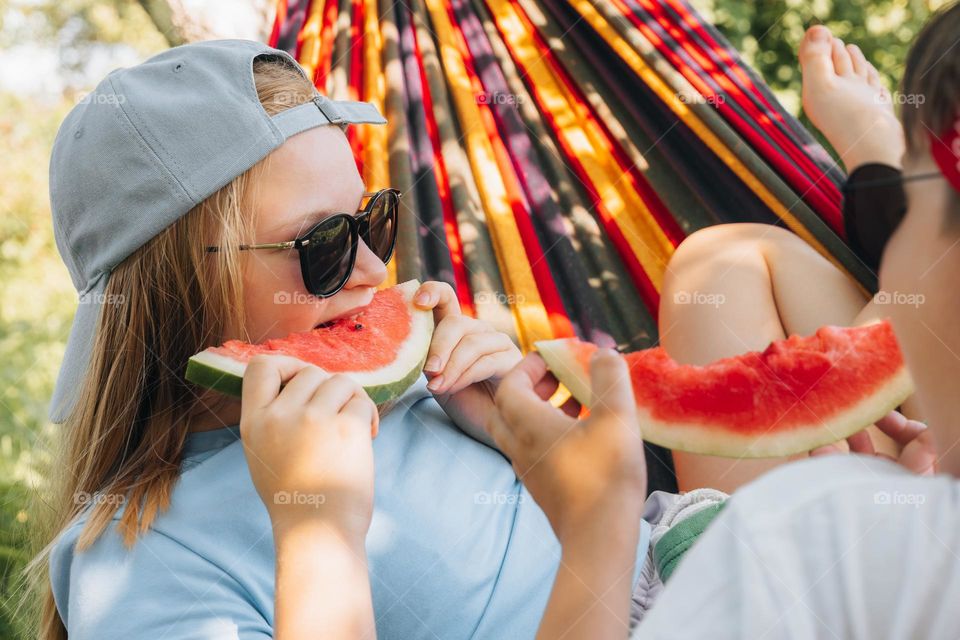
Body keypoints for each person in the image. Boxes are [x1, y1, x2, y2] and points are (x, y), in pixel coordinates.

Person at [34, 40, 660, 640]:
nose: (376, 270)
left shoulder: (417, 390)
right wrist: (317, 533)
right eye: (324, 242)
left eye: (373, 220)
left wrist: (516, 437)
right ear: (177, 289)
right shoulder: (137, 564)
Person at [488, 3, 960, 638]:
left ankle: (881, 171)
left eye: (916, 213)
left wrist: (596, 524)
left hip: (727, 569)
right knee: (724, 260)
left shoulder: (856, 547)